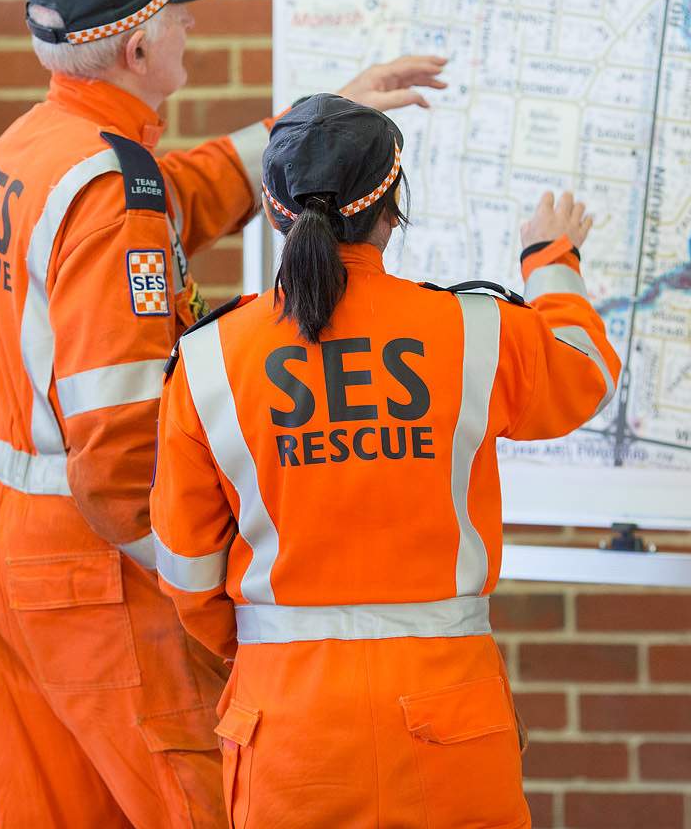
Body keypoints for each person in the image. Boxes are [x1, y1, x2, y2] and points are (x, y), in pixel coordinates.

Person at [0, 0, 447, 828]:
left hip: (8, 537)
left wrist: (314, 120)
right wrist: (206, 593)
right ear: (139, 47)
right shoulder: (109, 193)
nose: (193, 34)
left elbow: (175, 194)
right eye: (182, 18)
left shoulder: (42, 145)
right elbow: (119, 448)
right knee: (193, 801)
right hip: (89, 559)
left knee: (53, 808)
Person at [149, 93, 621, 828]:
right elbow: (585, 368)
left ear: (275, 213)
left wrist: (267, 652)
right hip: (449, 720)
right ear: (392, 207)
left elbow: (185, 572)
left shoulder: (210, 357)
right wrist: (552, 262)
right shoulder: (475, 333)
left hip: (285, 727)